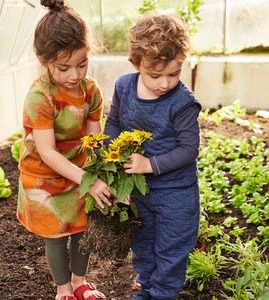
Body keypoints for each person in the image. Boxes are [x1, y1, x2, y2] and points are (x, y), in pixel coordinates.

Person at [17, 1, 111, 299]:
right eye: (64, 67)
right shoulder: (40, 96)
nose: (74, 74)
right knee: (56, 235)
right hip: (43, 178)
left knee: (82, 229)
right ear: (42, 60)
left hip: (79, 172)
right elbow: (47, 152)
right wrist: (89, 180)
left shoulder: (90, 90)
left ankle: (80, 282)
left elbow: (94, 141)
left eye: (82, 63)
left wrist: (104, 173)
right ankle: (64, 289)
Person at [104, 13, 201, 300]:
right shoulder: (124, 86)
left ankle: (162, 294)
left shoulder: (182, 103)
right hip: (139, 191)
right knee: (143, 243)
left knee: (171, 249)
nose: (165, 83)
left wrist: (149, 164)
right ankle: (146, 288)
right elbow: (114, 123)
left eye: (174, 74)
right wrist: (111, 159)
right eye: (155, 75)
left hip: (176, 194)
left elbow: (189, 149)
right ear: (136, 64)